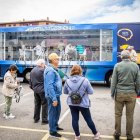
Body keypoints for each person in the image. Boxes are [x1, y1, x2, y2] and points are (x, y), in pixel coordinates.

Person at [63, 65, 100, 140]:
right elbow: (91, 92)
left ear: (72, 71)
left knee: (74, 119)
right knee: (88, 119)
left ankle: (77, 136)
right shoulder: (85, 80)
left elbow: (65, 92)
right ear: (80, 71)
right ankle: (96, 134)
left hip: (72, 103)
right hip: (83, 103)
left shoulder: (67, 81)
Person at [111, 50, 140, 140]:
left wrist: (112, 93)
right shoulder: (135, 66)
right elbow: (138, 81)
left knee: (118, 114)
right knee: (130, 115)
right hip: (131, 94)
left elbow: (113, 81)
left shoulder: (117, 66)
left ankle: (117, 133)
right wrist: (136, 91)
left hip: (119, 94)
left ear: (121, 57)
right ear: (130, 56)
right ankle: (129, 135)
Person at [44, 53, 63, 138]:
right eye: (57, 59)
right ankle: (52, 131)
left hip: (56, 94)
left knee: (57, 111)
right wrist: (54, 98)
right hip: (53, 96)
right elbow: (49, 85)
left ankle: (55, 126)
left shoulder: (53, 69)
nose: (58, 61)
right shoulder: (50, 71)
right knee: (52, 113)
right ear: (53, 60)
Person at [29, 59, 48, 125]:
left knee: (37, 104)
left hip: (36, 90)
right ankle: (44, 120)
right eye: (44, 64)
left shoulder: (32, 70)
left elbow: (30, 81)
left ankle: (36, 119)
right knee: (45, 105)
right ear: (42, 64)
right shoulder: (43, 70)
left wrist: (33, 88)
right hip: (42, 90)